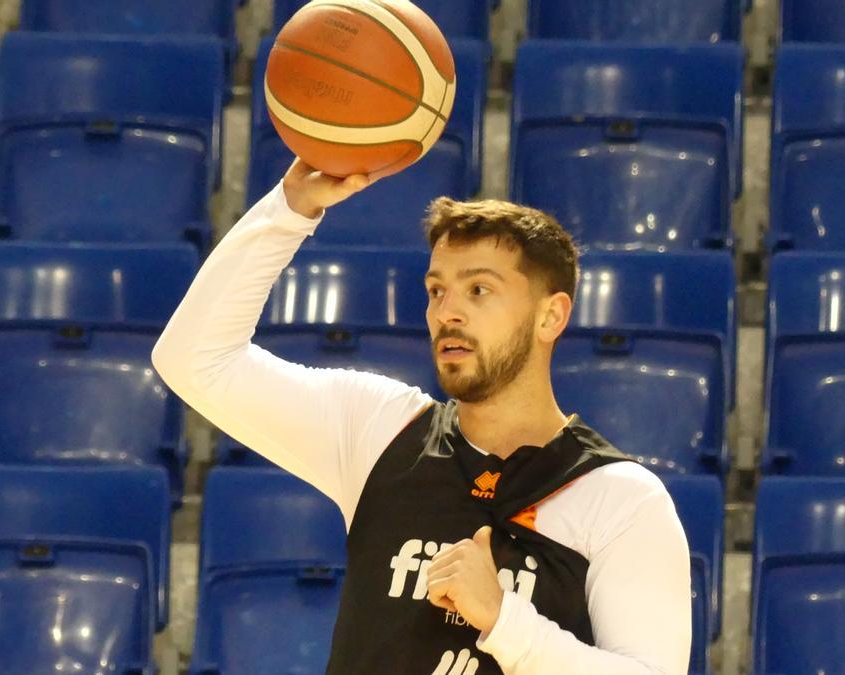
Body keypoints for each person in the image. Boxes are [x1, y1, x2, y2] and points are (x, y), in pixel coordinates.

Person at [152, 159, 692, 674]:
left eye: (479, 289)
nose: (447, 312)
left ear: (551, 315)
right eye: (437, 290)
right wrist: (290, 210)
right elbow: (194, 360)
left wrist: (506, 621)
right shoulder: (379, 429)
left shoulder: (620, 497)